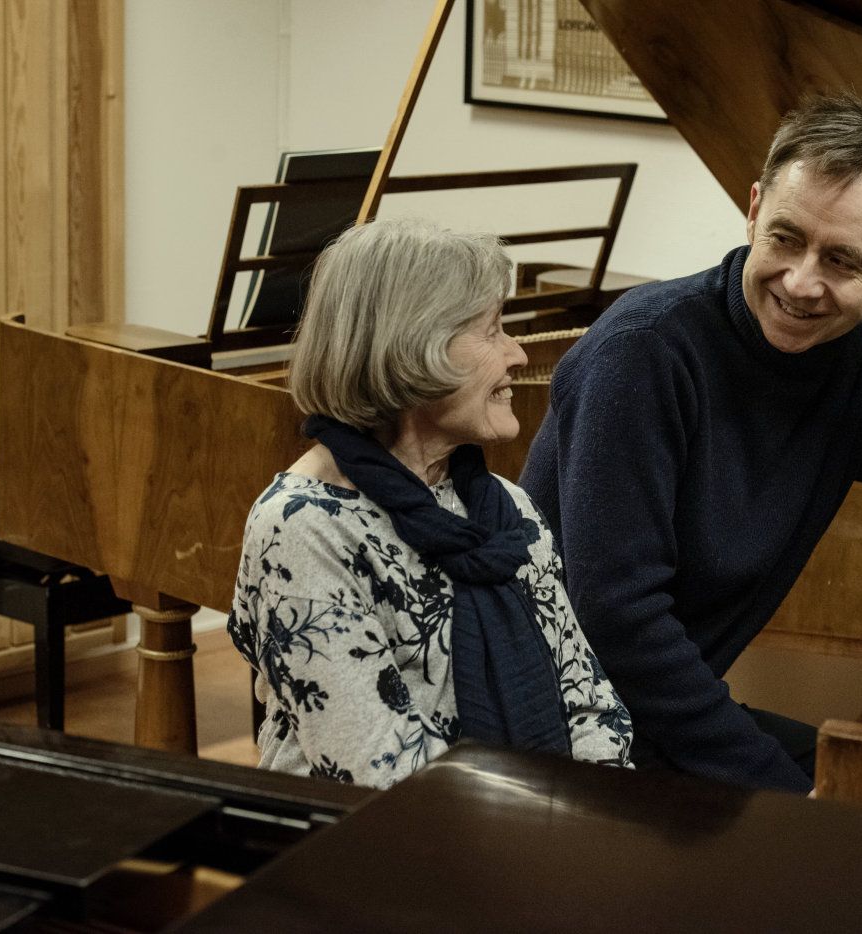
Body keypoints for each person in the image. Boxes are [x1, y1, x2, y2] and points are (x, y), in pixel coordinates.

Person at [519, 93, 862, 794]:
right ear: (753, 209)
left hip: (651, 722)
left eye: (842, 260)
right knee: (858, 816)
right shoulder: (644, 351)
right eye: (784, 238)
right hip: (560, 733)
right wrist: (782, 791)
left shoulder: (852, 363)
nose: (801, 283)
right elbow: (619, 624)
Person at [228, 217, 633, 788]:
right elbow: (377, 772)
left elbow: (591, 706)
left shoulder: (508, 509)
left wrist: (594, 808)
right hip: (372, 835)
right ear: (412, 348)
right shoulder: (303, 528)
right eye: (492, 331)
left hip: (533, 821)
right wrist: (540, 823)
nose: (518, 354)